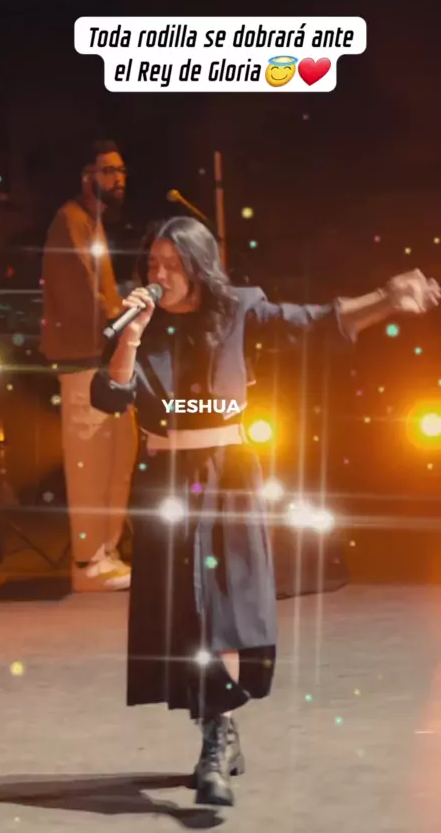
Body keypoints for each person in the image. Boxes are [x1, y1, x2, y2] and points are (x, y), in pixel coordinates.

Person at [90, 216, 440, 806]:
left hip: (226, 476)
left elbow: (316, 321)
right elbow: (108, 396)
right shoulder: (139, 322)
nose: (159, 274)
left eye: (172, 264)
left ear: (198, 266)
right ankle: (218, 731)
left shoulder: (238, 309)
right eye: (153, 263)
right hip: (166, 481)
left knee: (223, 609)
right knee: (186, 615)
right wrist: (130, 338)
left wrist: (385, 298)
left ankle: (216, 735)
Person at [40, 140, 137, 591]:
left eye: (121, 171)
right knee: (90, 466)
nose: (118, 179)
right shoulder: (70, 221)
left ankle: (107, 554)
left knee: (118, 459)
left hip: (106, 363)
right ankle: (87, 564)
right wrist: (125, 317)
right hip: (84, 364)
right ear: (87, 176)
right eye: (109, 171)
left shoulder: (91, 223)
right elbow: (83, 296)